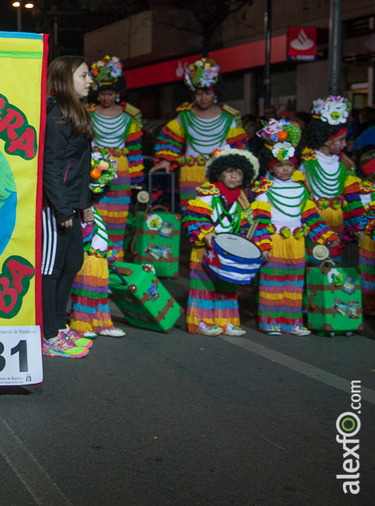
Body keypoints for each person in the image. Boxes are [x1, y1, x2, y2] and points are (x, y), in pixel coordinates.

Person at [252, 120, 338, 335]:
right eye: (280, 166)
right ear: (272, 166)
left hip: (297, 243)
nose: (285, 169)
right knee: (272, 282)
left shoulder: (300, 190)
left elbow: (312, 218)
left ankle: (292, 322)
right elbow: (259, 221)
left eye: (289, 165)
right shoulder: (264, 190)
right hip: (275, 242)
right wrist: (262, 246)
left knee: (295, 283)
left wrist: (327, 236)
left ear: (294, 166)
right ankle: (270, 321)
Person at [40, 56, 95, 359]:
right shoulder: (55, 114)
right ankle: (48, 333)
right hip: (53, 205)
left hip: (72, 202)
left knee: (72, 262)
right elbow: (51, 167)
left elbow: (81, 166)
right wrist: (62, 209)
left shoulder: (76, 112)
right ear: (65, 78)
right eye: (84, 75)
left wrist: (84, 203)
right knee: (51, 268)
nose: (89, 82)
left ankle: (59, 326)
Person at [184, 149, 271, 336]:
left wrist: (262, 247)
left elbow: (251, 227)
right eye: (230, 171)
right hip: (206, 249)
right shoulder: (208, 194)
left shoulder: (243, 200)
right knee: (204, 286)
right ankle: (201, 322)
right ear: (220, 172)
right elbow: (195, 217)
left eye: (239, 173)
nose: (234, 176)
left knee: (228, 287)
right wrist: (207, 235)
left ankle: (227, 321)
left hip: (229, 251)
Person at [152, 58, 248, 211]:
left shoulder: (229, 117)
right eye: (199, 94)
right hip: (190, 173)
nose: (203, 98)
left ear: (215, 93)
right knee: (191, 213)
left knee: (219, 213)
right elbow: (171, 139)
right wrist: (166, 160)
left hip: (219, 174)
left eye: (208, 93)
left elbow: (238, 148)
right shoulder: (184, 116)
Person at [87, 56, 143, 259]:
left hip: (121, 170)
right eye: (102, 93)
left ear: (117, 93)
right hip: (96, 167)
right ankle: (95, 255)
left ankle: (115, 258)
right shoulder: (88, 113)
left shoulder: (130, 115)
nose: (105, 98)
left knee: (119, 216)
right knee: (95, 210)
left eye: (109, 93)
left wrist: (138, 179)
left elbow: (135, 148)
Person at [69, 150, 125, 339]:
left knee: (101, 296)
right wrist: (89, 222)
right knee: (86, 295)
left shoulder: (96, 213)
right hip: (88, 261)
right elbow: (82, 237)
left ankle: (103, 324)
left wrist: (110, 254)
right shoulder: (82, 213)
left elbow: (103, 237)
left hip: (100, 262)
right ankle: (81, 327)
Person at [300, 96, 363, 261]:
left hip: (337, 222)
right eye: (340, 140)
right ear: (327, 141)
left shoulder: (345, 165)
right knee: (312, 265)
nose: (344, 144)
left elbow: (352, 200)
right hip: (311, 222)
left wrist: (358, 226)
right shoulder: (305, 162)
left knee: (333, 269)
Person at [353, 147, 375, 315]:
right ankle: (367, 304)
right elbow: (360, 213)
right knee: (368, 268)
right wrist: (359, 229)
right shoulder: (364, 191)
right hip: (369, 238)